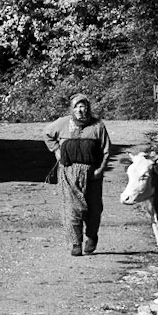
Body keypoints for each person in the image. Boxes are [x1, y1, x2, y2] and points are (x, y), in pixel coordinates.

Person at [44, 93, 111, 257]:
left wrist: (101, 169)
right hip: (68, 173)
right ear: (72, 109)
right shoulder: (63, 123)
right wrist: (57, 151)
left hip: (92, 173)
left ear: (88, 107)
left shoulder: (98, 126)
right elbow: (47, 134)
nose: (80, 110)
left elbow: (106, 150)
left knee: (94, 208)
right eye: (76, 107)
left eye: (83, 106)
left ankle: (92, 236)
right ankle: (76, 243)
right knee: (72, 209)